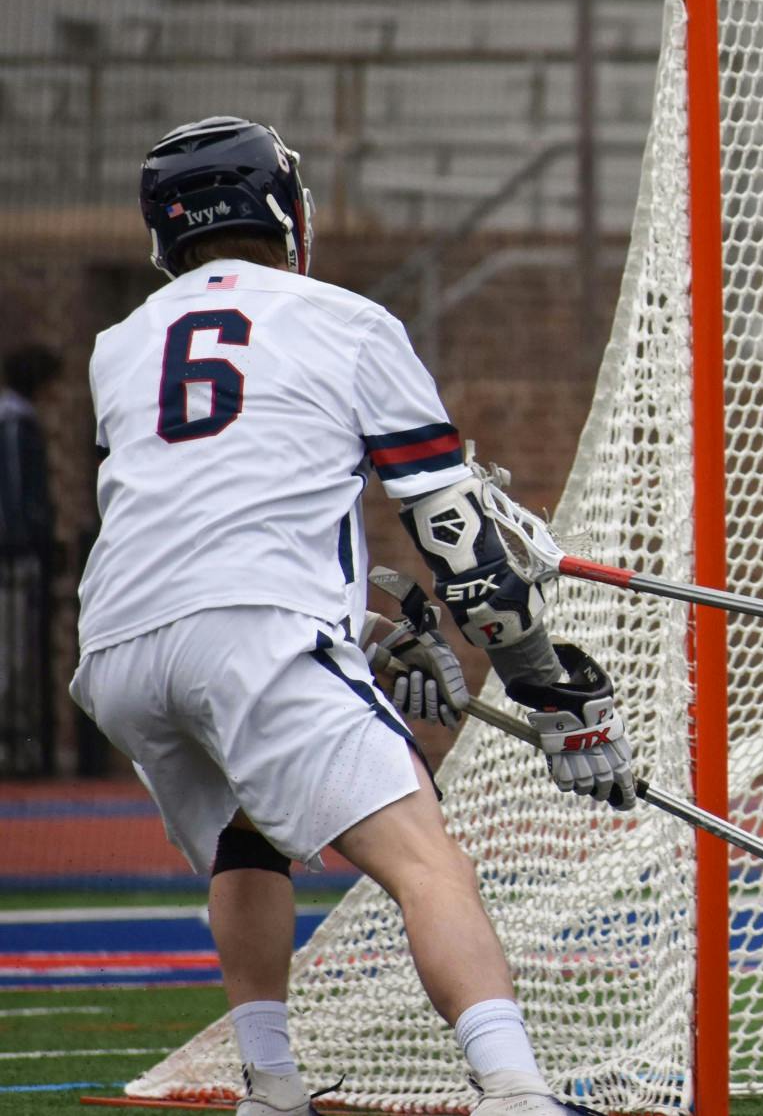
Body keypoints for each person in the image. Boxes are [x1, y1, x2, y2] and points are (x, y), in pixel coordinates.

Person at [69, 116, 636, 1116]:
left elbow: (206, 509)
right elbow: (455, 536)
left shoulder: (118, 347)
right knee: (424, 851)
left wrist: (367, 637)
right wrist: (548, 680)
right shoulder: (347, 320)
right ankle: (512, 1088)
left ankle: (272, 1087)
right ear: (284, 212)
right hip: (254, 634)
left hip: (118, 645)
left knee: (250, 833)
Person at [1, 343, 59, 774]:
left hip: (16, 554)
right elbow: (20, 491)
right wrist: (29, 541)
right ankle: (14, 750)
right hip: (13, 558)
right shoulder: (16, 422)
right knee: (13, 659)